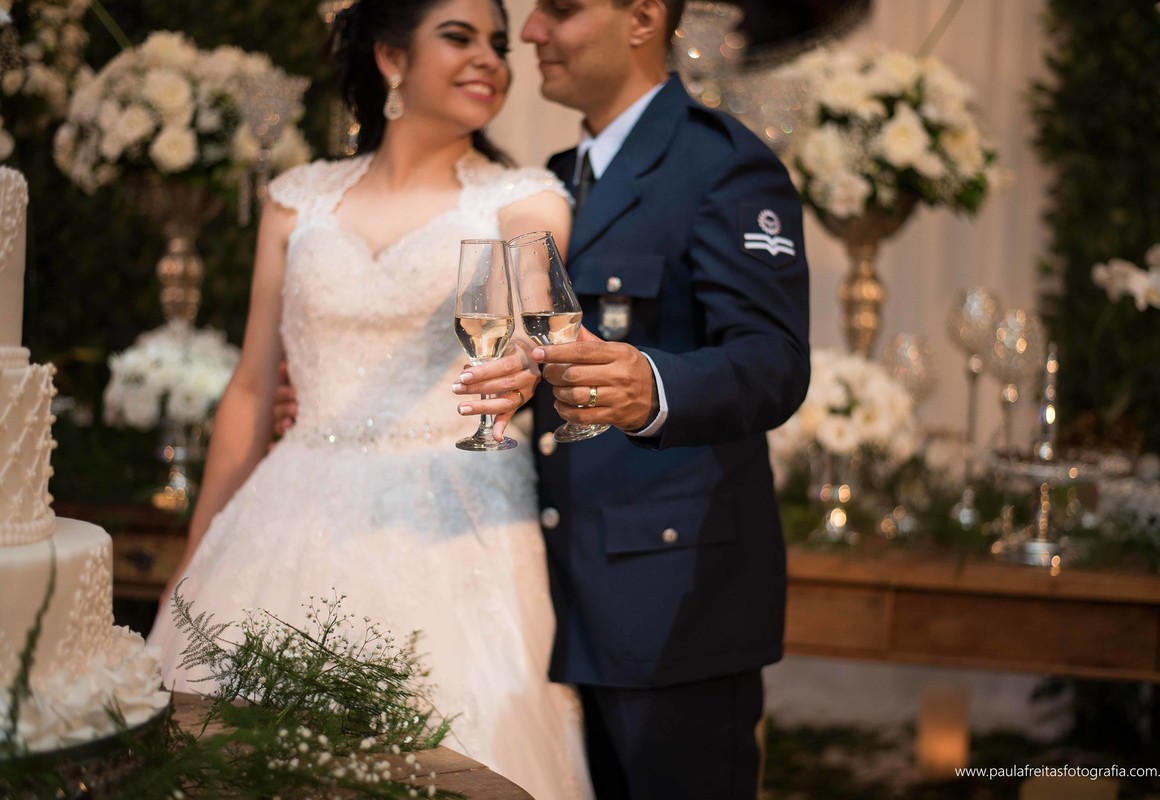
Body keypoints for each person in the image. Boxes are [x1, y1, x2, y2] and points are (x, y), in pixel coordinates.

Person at [146, 1, 593, 797]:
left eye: (498, 44)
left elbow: (533, 291)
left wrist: (529, 350)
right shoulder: (296, 200)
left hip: (454, 508)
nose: (491, 58)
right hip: (288, 505)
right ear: (390, 58)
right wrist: (193, 552)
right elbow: (252, 387)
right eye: (458, 38)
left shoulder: (526, 195)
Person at [455, 0, 811, 797]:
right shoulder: (552, 177)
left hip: (673, 603)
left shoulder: (721, 162)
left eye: (561, 9)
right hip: (549, 596)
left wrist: (653, 385)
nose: (534, 31)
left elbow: (776, 359)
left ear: (644, 17)